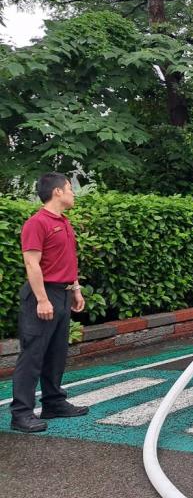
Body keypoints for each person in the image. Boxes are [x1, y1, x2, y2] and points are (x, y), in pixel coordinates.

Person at [10, 173, 88, 433]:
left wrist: (75, 289)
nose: (72, 193)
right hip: (42, 295)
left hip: (63, 294)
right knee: (33, 354)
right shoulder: (37, 223)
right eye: (69, 188)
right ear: (57, 192)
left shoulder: (64, 222)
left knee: (56, 353)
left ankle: (53, 403)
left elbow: (67, 260)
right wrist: (42, 299)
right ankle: (21, 413)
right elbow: (32, 263)